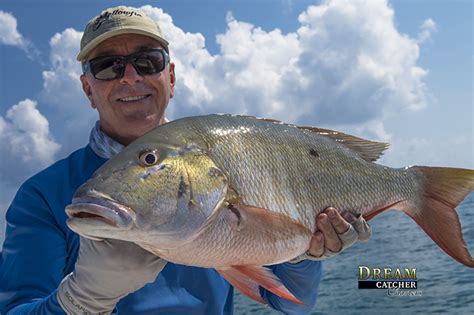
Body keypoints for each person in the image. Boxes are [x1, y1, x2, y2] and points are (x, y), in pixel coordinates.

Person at [0, 6, 371, 315]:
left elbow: (292, 306)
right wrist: (80, 299)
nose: (129, 78)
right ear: (88, 89)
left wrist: (302, 252)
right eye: (108, 66)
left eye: (147, 62)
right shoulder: (44, 197)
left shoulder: (224, 158)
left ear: (171, 77)